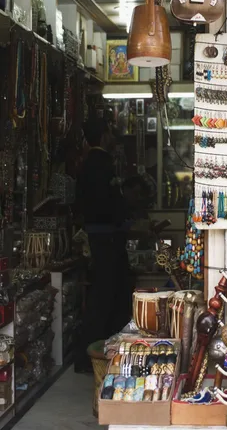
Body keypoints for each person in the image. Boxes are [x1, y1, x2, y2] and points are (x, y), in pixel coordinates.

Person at [75, 117, 130, 373]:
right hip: (106, 238)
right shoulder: (101, 164)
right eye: (109, 131)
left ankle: (101, 354)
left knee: (106, 294)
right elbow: (109, 204)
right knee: (105, 296)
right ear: (104, 134)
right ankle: (94, 356)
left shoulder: (89, 164)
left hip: (102, 237)